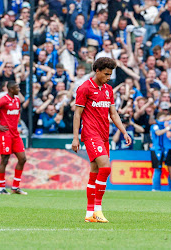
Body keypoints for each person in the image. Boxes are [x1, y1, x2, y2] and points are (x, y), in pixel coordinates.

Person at [71, 57, 132, 223]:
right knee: (105, 168)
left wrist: (124, 131)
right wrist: (76, 137)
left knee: (95, 172)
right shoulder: (84, 88)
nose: (108, 77)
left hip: (104, 134)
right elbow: (77, 114)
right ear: (97, 71)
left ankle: (89, 213)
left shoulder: (108, 89)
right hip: (91, 134)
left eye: (110, 74)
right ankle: (98, 210)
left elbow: (113, 113)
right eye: (106, 74)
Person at [0, 81, 27, 195]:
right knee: (5, 160)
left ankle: (15, 187)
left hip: (15, 134)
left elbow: (16, 114)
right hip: (5, 134)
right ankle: (1, 188)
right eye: (17, 88)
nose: (19, 89)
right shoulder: (3, 100)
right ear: (11, 89)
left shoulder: (17, 100)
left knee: (22, 158)